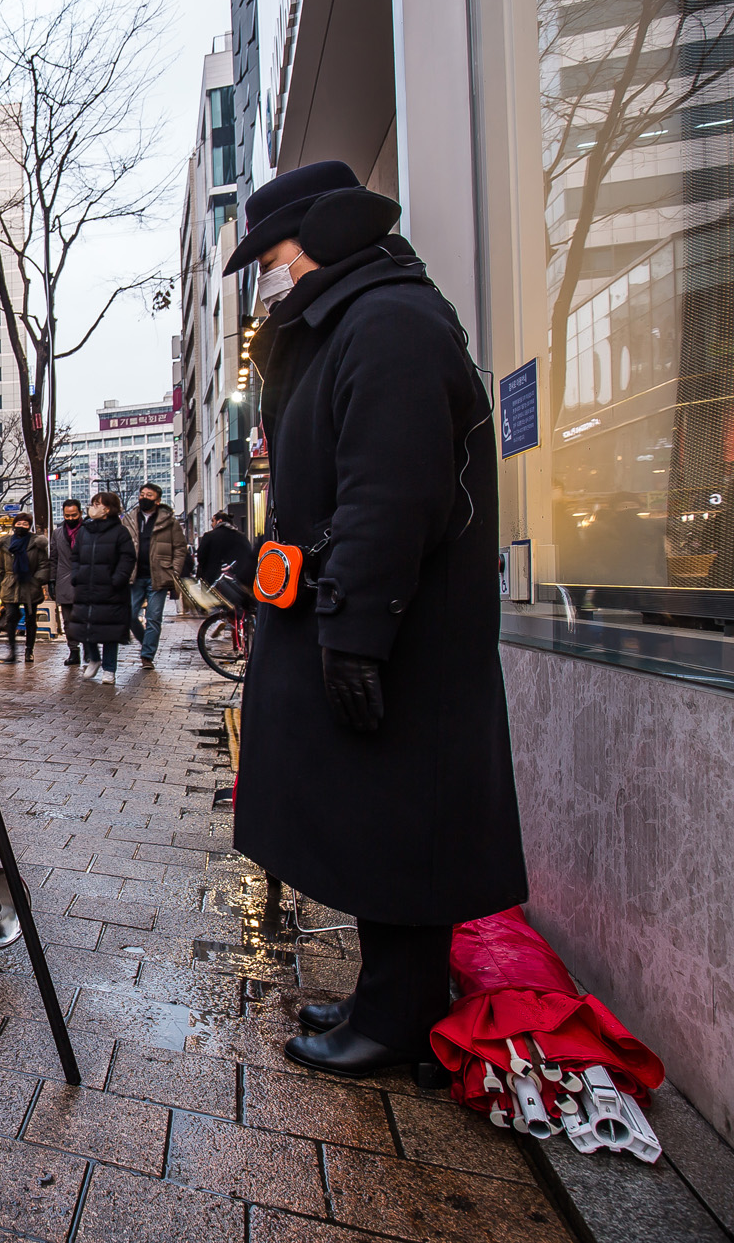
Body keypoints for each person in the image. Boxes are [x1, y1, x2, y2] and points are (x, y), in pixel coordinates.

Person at [223, 159, 526, 1078]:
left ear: (321, 235)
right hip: (369, 620)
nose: (269, 278)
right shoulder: (357, 319)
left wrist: (354, 630)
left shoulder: (389, 322)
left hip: (400, 637)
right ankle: (386, 995)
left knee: (400, 825)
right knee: (372, 820)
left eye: (271, 257)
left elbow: (390, 495)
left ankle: (399, 1016)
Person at [68, 492, 135, 685]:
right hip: (86, 587)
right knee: (83, 626)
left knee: (109, 631)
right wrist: (76, 575)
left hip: (110, 589)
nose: (93, 507)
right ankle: (94, 658)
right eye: (93, 503)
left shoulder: (120, 532)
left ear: (108, 509)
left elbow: (127, 558)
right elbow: (76, 556)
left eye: (97, 504)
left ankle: (109, 669)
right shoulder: (85, 530)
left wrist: (117, 579)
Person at [129, 483, 183, 669]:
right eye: (142, 494)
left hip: (158, 576)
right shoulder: (130, 519)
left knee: (153, 618)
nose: (144, 498)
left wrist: (174, 571)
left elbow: (179, 548)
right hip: (135, 576)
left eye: (149, 495)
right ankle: (146, 642)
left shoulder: (169, 522)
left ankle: (147, 656)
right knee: (129, 614)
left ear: (158, 500)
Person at [0, 512, 49, 663]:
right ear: (14, 525)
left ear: (29, 526)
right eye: (19, 523)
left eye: (25, 524)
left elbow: (43, 564)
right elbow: (1, 567)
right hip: (10, 584)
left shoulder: (36, 543)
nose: (21, 526)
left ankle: (29, 650)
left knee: (30, 619)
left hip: (30, 585)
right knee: (11, 617)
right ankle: (12, 650)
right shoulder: (6, 543)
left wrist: (37, 580)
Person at [51, 499, 86, 666]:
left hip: (86, 580)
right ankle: (74, 651)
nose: (70, 518)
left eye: (74, 515)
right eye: (67, 515)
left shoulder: (89, 531)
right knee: (68, 620)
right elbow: (53, 558)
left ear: (80, 513)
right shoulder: (57, 533)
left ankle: (89, 649)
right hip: (64, 580)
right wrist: (51, 580)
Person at [196, 510, 254, 589]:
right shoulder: (241, 537)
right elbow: (248, 556)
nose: (211, 524)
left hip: (211, 581)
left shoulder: (209, 536)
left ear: (219, 521)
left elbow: (201, 557)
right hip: (236, 583)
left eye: (213, 521)